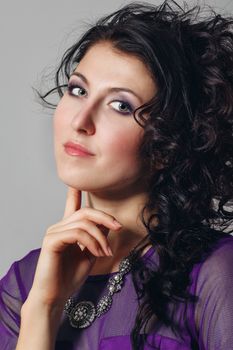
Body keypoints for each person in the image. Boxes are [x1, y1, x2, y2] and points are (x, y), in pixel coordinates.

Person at [1, 0, 233, 349]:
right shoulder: (25, 281)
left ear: (167, 144)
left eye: (120, 106)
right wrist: (43, 308)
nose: (80, 121)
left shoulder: (214, 273)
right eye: (78, 90)